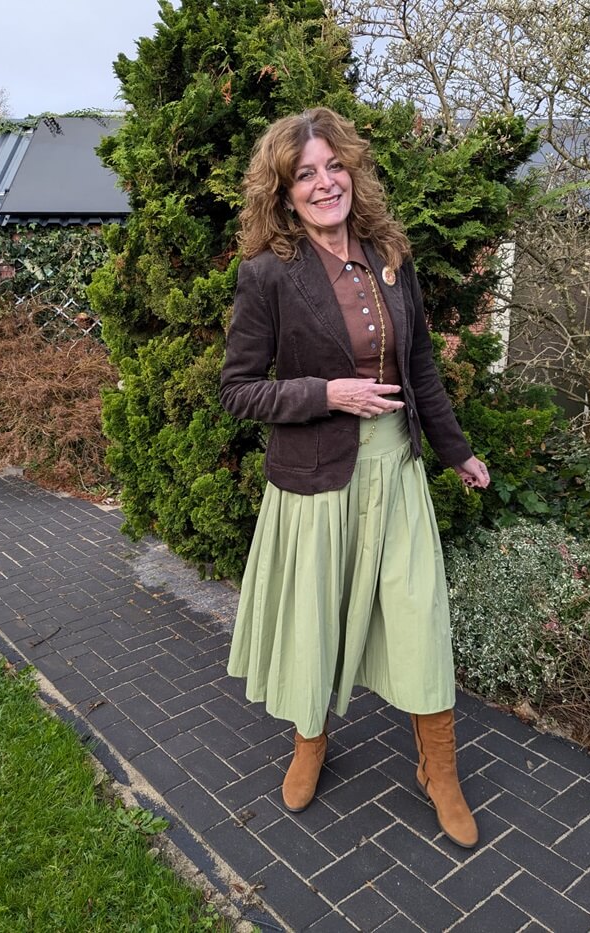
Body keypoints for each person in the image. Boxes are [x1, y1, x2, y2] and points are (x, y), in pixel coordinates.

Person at [220, 107, 490, 848]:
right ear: (283, 191)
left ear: (352, 170)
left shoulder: (388, 253)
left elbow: (422, 366)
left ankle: (439, 770)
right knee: (315, 624)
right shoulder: (268, 274)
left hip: (394, 471)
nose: (323, 181)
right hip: (315, 479)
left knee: (419, 621)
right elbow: (238, 389)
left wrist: (455, 449)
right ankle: (311, 744)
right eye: (304, 173)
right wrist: (327, 394)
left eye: (332, 165)